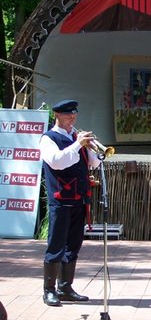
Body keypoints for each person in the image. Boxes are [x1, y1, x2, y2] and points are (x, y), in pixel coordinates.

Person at [39, 100, 102, 306]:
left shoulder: (77, 138)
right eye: (68, 116)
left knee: (73, 245)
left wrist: (93, 148)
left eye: (74, 116)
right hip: (61, 199)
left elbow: (94, 163)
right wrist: (77, 144)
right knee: (56, 245)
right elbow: (58, 161)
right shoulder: (48, 139)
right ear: (57, 116)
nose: (71, 120)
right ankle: (49, 290)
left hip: (79, 199)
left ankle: (65, 287)